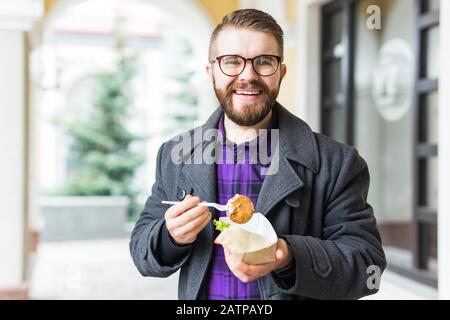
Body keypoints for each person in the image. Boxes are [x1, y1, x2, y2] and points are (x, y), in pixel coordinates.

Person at [130, 8, 386, 300]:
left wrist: (287, 256)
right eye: (231, 62)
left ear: (281, 72)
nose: (248, 76)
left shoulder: (337, 163)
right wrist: (170, 236)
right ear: (210, 71)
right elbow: (141, 253)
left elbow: (369, 268)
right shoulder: (174, 156)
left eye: (264, 62)